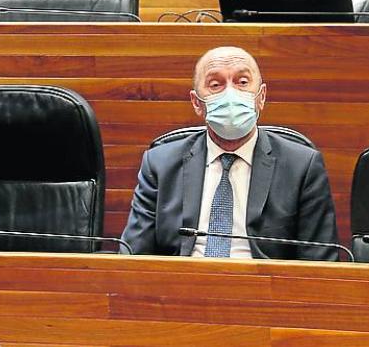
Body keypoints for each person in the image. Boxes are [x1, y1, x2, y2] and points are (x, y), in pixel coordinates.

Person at [120, 46, 339, 260]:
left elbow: (319, 262)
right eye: (215, 84)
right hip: (182, 285)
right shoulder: (160, 163)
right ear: (197, 103)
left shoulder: (301, 166)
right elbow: (133, 257)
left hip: (265, 288)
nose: (230, 94)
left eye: (242, 82)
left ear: (261, 97)